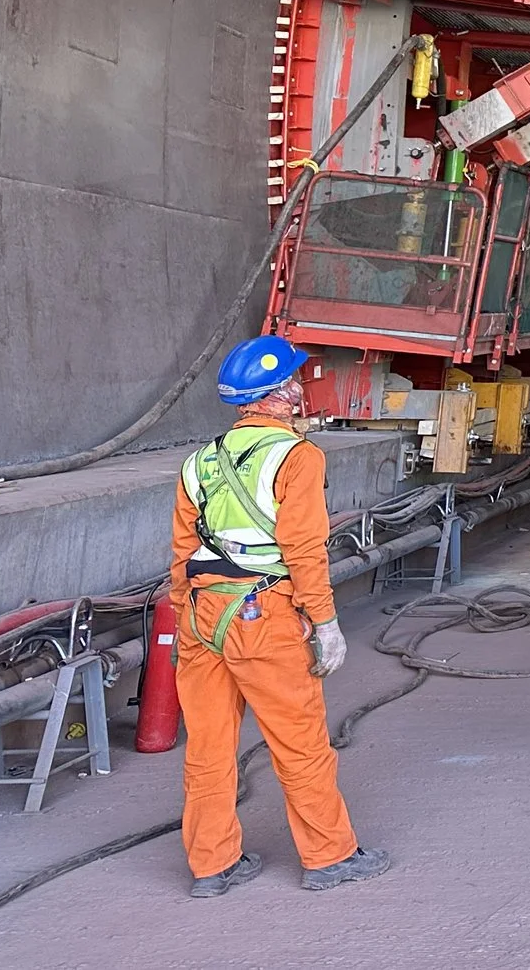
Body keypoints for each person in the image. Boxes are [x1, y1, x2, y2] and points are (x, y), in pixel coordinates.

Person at [169, 336, 390, 896]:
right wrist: (326, 623)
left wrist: (186, 623)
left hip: (201, 616)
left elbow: (181, 556)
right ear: (285, 392)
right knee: (300, 744)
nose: (303, 387)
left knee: (209, 749)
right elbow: (304, 550)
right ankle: (329, 857)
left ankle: (211, 867)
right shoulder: (297, 457)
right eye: (298, 379)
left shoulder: (198, 463)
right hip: (262, 618)